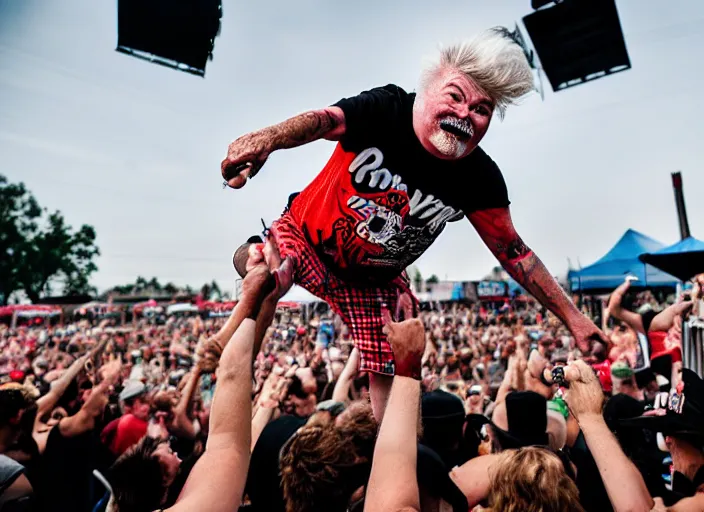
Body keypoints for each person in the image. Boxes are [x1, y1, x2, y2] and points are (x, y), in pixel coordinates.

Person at [221, 27, 608, 420]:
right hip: (306, 239)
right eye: (455, 96)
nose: (464, 115)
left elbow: (514, 253)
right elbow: (325, 121)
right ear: (429, 87)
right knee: (268, 272)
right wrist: (267, 138)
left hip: (375, 282)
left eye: (481, 109)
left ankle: (390, 453)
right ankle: (235, 383)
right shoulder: (387, 110)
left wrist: (576, 320)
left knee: (397, 367)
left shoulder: (479, 178)